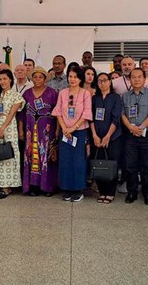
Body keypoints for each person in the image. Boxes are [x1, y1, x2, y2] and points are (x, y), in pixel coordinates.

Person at [52, 67, 92, 202]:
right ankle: (67, 188)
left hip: (79, 132)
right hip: (65, 132)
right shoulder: (63, 93)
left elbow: (87, 113)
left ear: (80, 79)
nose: (72, 79)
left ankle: (78, 189)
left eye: (75, 77)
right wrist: (64, 128)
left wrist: (73, 128)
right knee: (65, 160)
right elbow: (57, 111)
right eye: (70, 76)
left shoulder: (85, 93)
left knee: (78, 161)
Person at [121, 68, 148, 205]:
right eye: (133, 77)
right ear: (130, 79)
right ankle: (132, 192)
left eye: (139, 77)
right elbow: (122, 114)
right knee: (130, 165)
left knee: (147, 165)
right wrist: (131, 128)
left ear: (144, 79)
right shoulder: (125, 96)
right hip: (130, 135)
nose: (136, 79)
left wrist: (141, 128)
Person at [20, 67, 59, 196]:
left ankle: (47, 187)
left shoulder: (52, 93)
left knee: (47, 157)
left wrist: (58, 130)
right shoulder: (26, 93)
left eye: (40, 77)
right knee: (31, 156)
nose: (37, 79)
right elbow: (21, 114)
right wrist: (21, 130)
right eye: (35, 77)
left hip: (48, 131)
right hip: (30, 131)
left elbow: (58, 113)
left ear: (45, 79)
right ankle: (33, 187)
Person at [0, 69, 25, 199]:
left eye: (5, 79)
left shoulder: (16, 96)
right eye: (0, 79)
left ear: (10, 80)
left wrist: (2, 128)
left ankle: (7, 187)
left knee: (8, 155)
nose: (2, 81)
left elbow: (12, 114)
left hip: (9, 129)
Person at [90, 72, 122, 203]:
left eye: (105, 80)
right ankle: (102, 191)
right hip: (96, 137)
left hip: (113, 137)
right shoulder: (94, 99)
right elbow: (90, 118)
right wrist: (95, 136)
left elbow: (116, 118)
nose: (103, 83)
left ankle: (110, 192)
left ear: (110, 82)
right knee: (98, 163)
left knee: (111, 164)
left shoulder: (116, 98)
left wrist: (108, 136)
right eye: (100, 81)